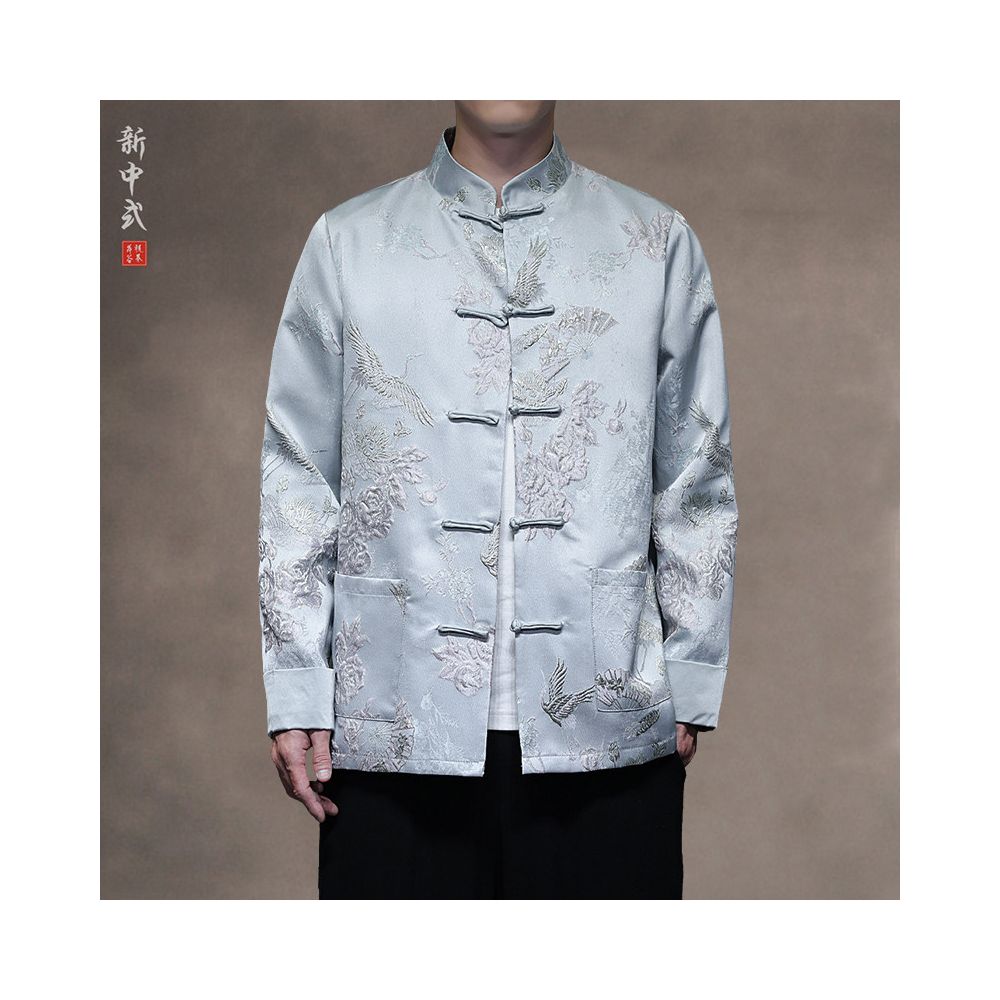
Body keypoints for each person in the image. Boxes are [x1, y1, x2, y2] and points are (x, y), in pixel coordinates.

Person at [258, 100, 738, 899]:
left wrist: (690, 672)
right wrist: (298, 685)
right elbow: (298, 477)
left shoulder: (654, 241)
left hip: (608, 715)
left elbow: (697, 473)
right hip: (392, 721)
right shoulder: (348, 243)